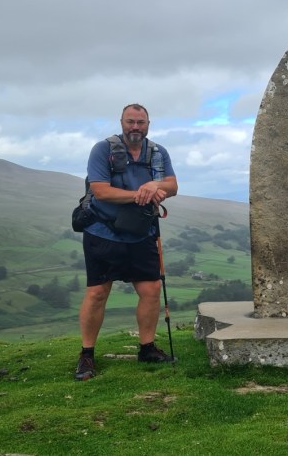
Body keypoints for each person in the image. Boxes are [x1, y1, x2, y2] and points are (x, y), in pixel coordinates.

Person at [75, 103, 178, 381]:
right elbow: (100, 190)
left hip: (141, 232)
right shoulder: (103, 149)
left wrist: (155, 186)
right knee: (97, 293)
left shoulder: (157, 152)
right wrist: (140, 194)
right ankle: (87, 355)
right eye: (131, 121)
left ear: (148, 124)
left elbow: (173, 186)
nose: (135, 127)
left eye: (141, 122)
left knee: (151, 289)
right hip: (102, 231)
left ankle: (146, 348)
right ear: (121, 122)